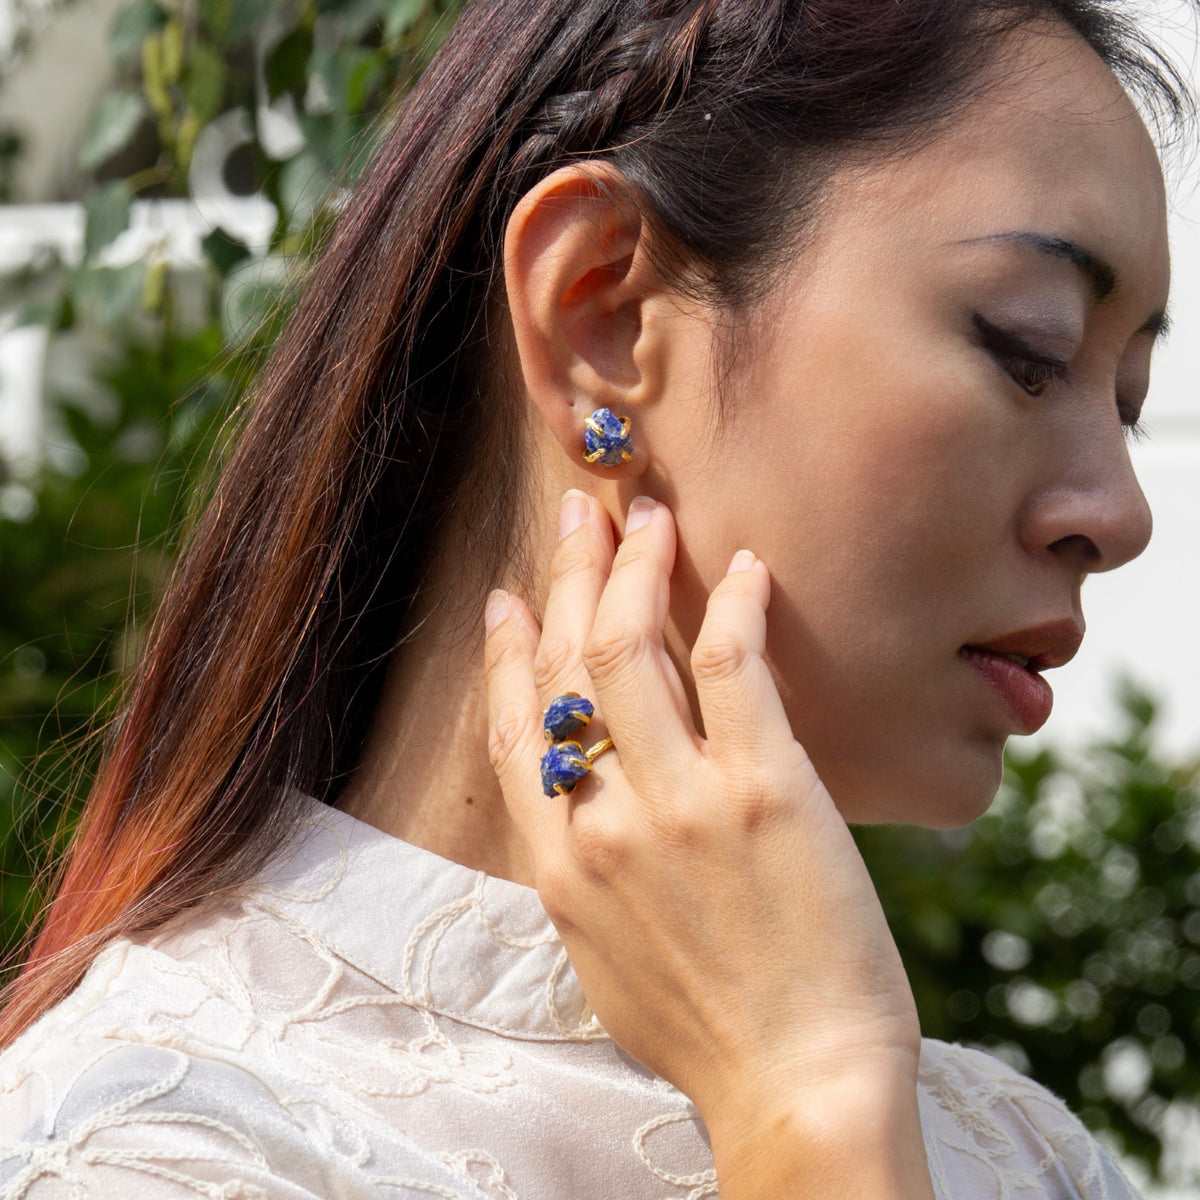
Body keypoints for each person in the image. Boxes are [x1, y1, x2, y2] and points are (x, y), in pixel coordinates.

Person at [0, 0, 1185, 1195]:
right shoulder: (154, 1148)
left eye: (1128, 400)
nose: (1120, 514)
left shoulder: (1023, 1155)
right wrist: (806, 1105)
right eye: (1026, 347)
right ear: (602, 313)